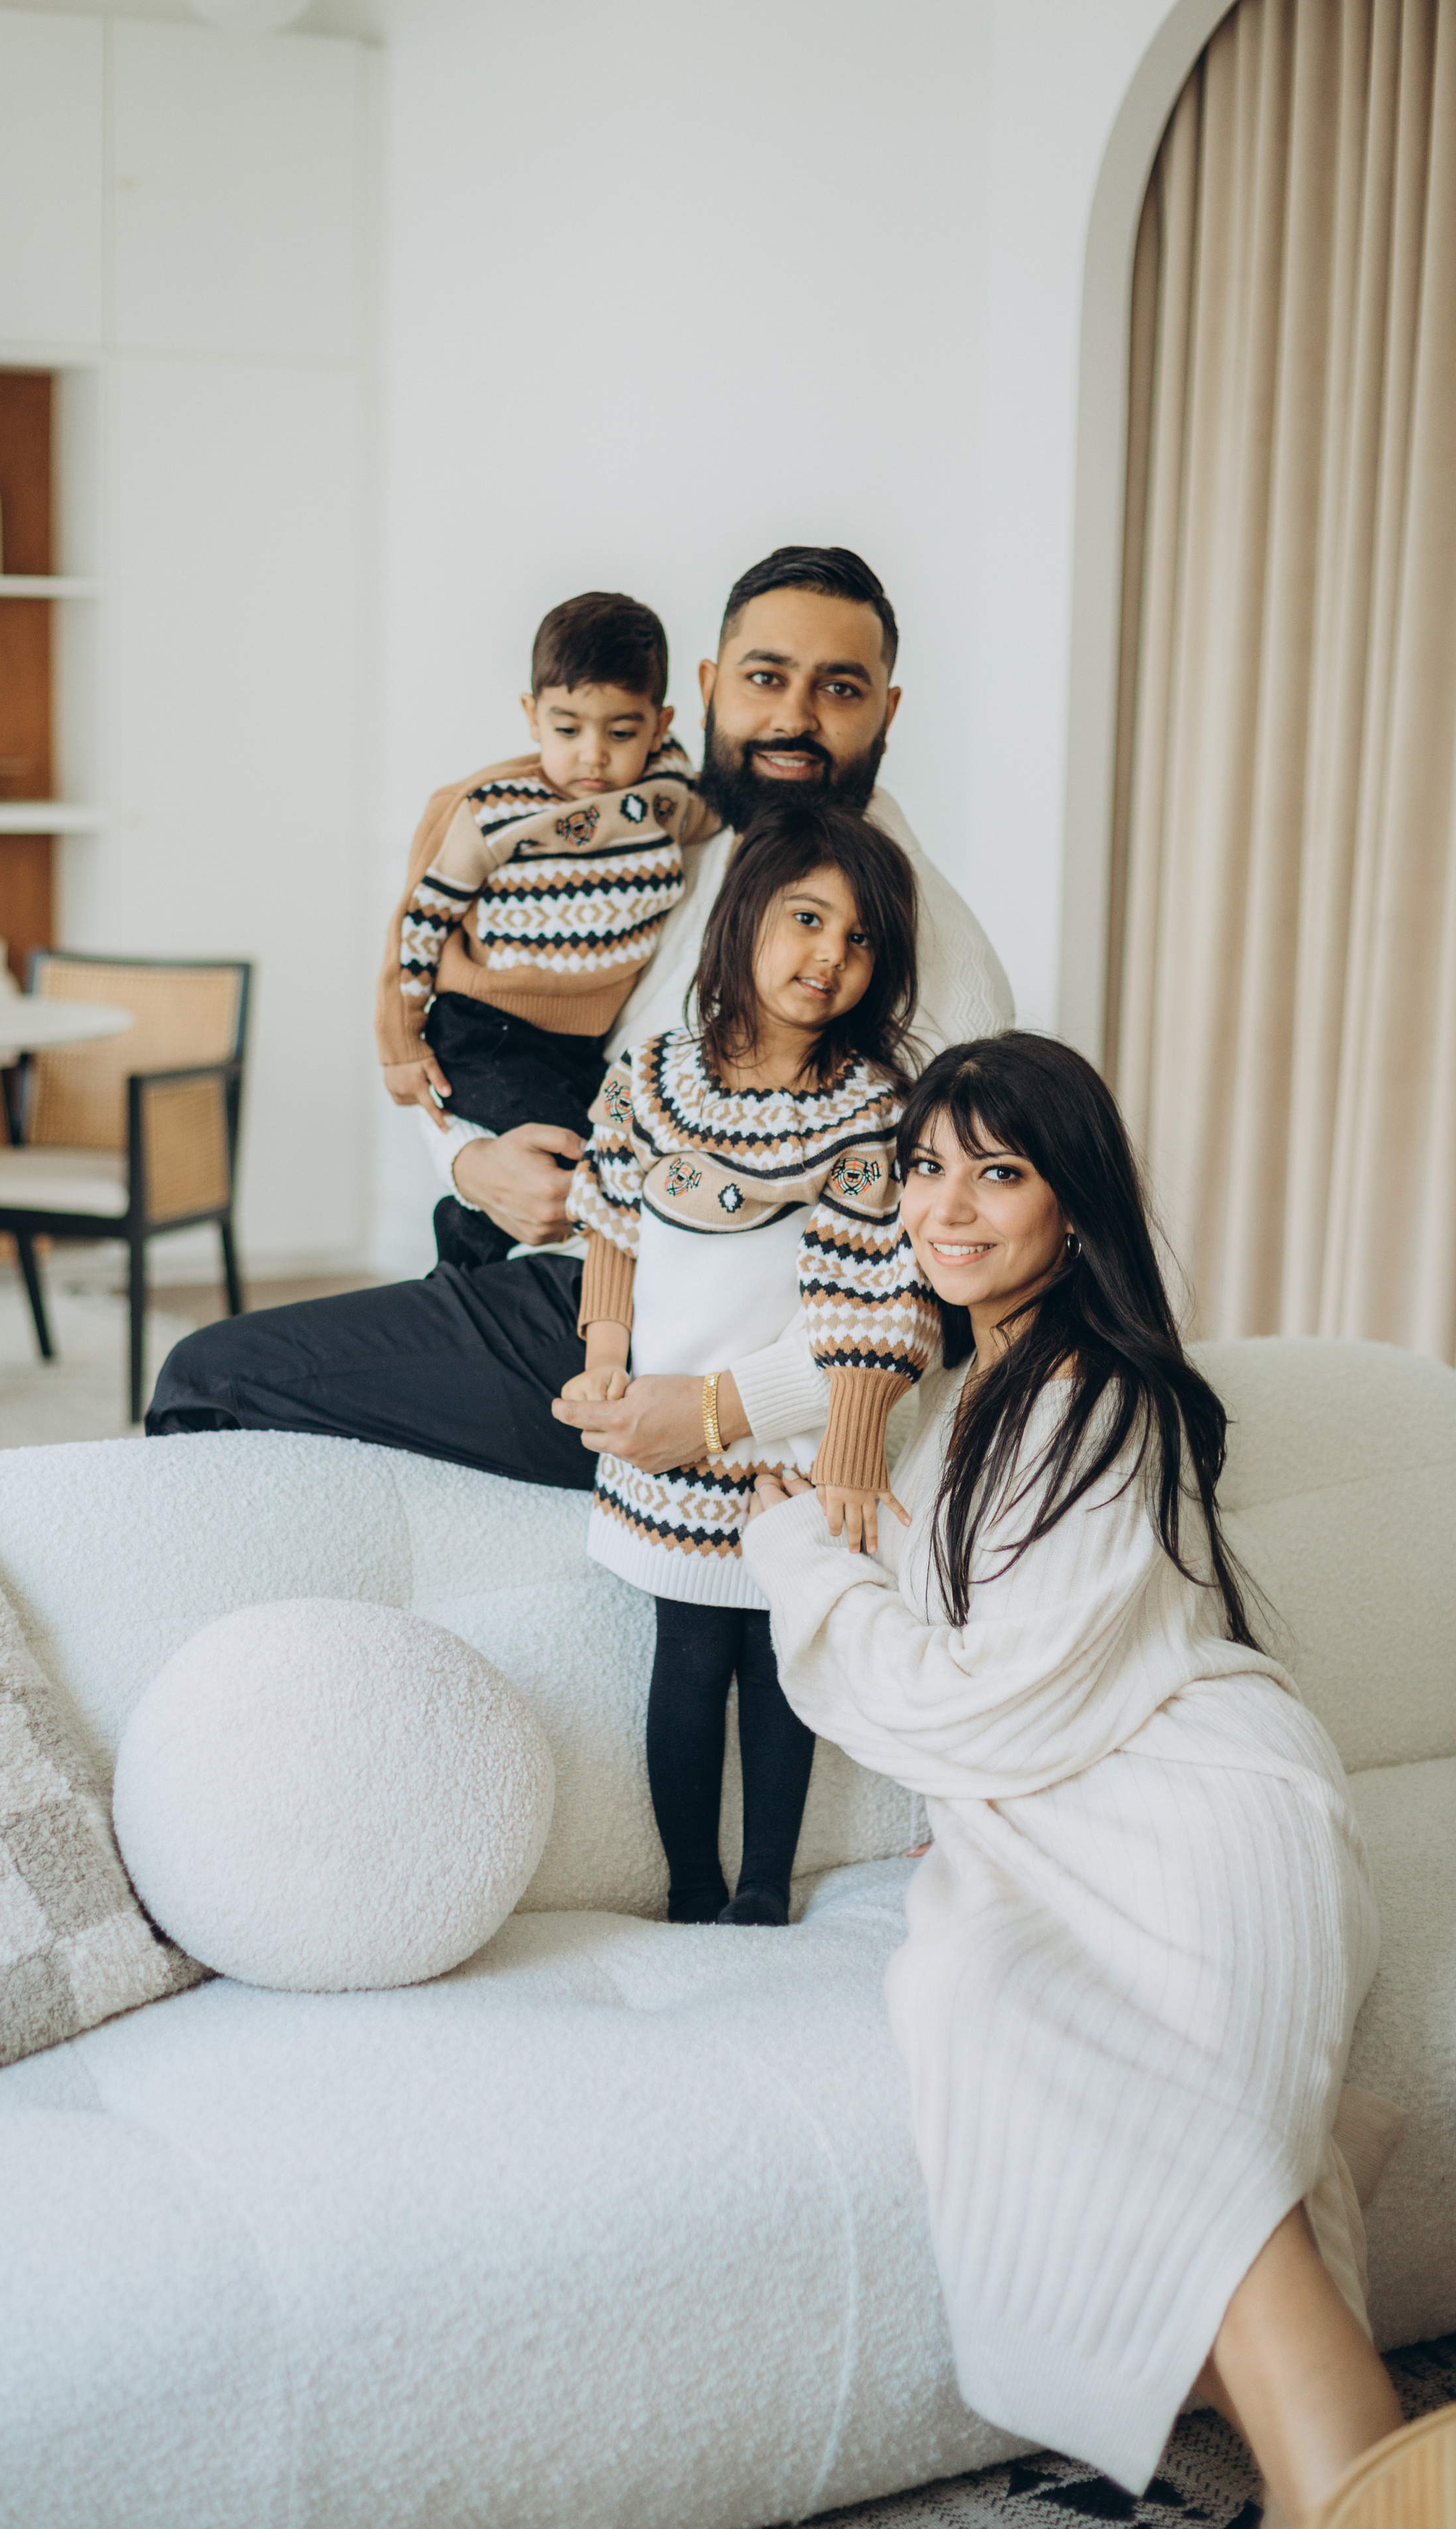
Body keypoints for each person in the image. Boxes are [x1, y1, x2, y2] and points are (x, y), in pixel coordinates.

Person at [740, 1033, 1401, 2520]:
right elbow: (985, 1675)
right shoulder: (974, 1397)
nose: (945, 1205)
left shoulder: (1100, 1393)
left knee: (1204, 2196)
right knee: (985, 1996)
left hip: (1200, 1816)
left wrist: (793, 1556)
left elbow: (981, 1696)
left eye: (997, 1169)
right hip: (1082, 1815)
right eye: (921, 1167)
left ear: (1073, 1209)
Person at [146, 547, 1013, 1481]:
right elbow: (495, 1016)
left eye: (839, 689)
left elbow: (942, 1287)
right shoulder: (670, 848)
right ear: (713, 688)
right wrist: (474, 1161)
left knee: (210, 1376)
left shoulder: (930, 959)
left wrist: (715, 1410)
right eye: (767, 678)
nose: (793, 719)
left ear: (886, 710)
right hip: (579, 1264)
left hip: (684, 1349)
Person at [563, 796, 936, 1925]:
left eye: (862, 938)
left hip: (786, 1452)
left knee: (780, 1664)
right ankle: (691, 1893)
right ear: (742, 921)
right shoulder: (651, 1078)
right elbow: (613, 1230)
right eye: (807, 919)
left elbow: (870, 1305)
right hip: (660, 1448)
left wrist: (853, 1459)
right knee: (685, 1662)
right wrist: (604, 1355)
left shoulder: (871, 1117)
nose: (831, 956)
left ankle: (765, 1891)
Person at [375, 591, 715, 1270]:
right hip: (488, 1029)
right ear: (532, 718)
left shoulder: (669, 795)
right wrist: (399, 1043)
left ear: (660, 724)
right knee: (551, 1160)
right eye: (567, 729)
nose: (593, 756)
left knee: (601, 1165)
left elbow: (726, 820)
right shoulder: (492, 811)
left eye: (621, 733)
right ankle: (459, 1283)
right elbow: (419, 924)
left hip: (582, 1044)